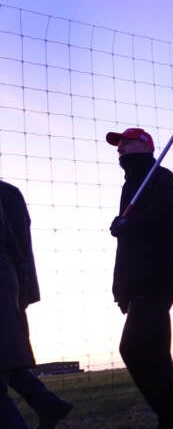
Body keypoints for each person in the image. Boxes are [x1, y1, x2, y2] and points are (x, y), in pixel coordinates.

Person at [106, 128, 173, 429]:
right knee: (155, 353)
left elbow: (172, 220)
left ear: (145, 146)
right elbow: (129, 246)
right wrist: (122, 288)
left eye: (126, 143)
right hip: (141, 281)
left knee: (132, 349)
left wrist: (129, 224)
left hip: (156, 276)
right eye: (118, 145)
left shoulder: (160, 177)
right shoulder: (132, 183)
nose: (120, 149)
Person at [1, 180, 73, 429]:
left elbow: (18, 241)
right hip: (11, 281)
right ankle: (47, 404)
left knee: (7, 355)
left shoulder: (7, 193)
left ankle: (47, 405)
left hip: (8, 281)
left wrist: (25, 288)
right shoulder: (9, 192)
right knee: (9, 355)